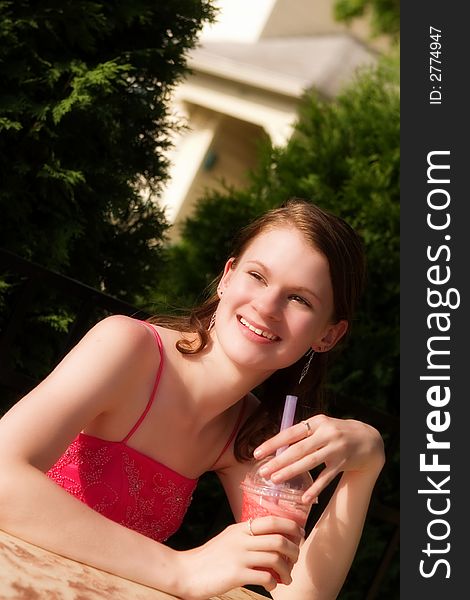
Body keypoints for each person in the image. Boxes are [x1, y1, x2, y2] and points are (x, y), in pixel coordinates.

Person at [0, 198, 385, 599]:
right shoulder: (128, 348)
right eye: (257, 275)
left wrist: (367, 465)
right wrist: (180, 567)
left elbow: (300, 593)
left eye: (300, 299)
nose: (267, 306)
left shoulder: (253, 434)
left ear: (327, 335)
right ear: (227, 277)